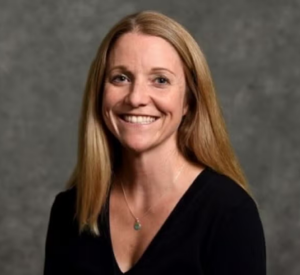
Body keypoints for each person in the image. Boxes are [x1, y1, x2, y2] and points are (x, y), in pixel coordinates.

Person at [44, 11, 266, 275]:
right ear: (100, 93)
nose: (136, 97)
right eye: (121, 78)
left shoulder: (229, 213)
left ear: (188, 102)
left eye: (160, 80)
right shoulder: (70, 210)